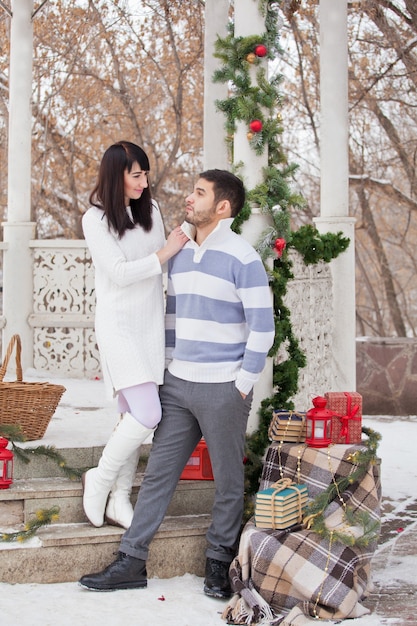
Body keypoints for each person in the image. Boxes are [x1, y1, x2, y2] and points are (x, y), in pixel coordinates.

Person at [79, 169, 275, 598]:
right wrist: (166, 368)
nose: (190, 198)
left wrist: (242, 383)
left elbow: (263, 328)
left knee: (226, 482)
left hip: (225, 388)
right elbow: (170, 317)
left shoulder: (243, 258)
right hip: (178, 384)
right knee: (158, 477)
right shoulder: (181, 252)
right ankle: (132, 560)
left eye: (200, 193)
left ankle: (218, 564)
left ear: (222, 207)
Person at [81, 140, 188, 530]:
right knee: (148, 413)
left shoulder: (152, 210)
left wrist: (183, 240)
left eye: (145, 174)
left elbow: (164, 258)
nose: (144, 182)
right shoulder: (94, 219)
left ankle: (119, 499)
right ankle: (100, 478)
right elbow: (121, 272)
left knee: (130, 412)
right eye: (136, 175)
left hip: (149, 324)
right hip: (118, 325)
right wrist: (165, 252)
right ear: (116, 175)